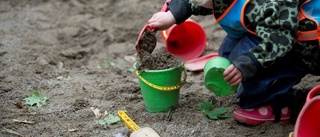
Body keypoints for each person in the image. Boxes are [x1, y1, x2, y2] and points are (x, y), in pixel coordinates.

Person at [147, 0, 320, 126]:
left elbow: (279, 39)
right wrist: (172, 15)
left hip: (304, 46)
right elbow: (197, 2)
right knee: (228, 56)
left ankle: (275, 107)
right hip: (264, 29)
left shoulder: (268, 3)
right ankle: (247, 78)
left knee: (248, 61)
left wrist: (247, 63)